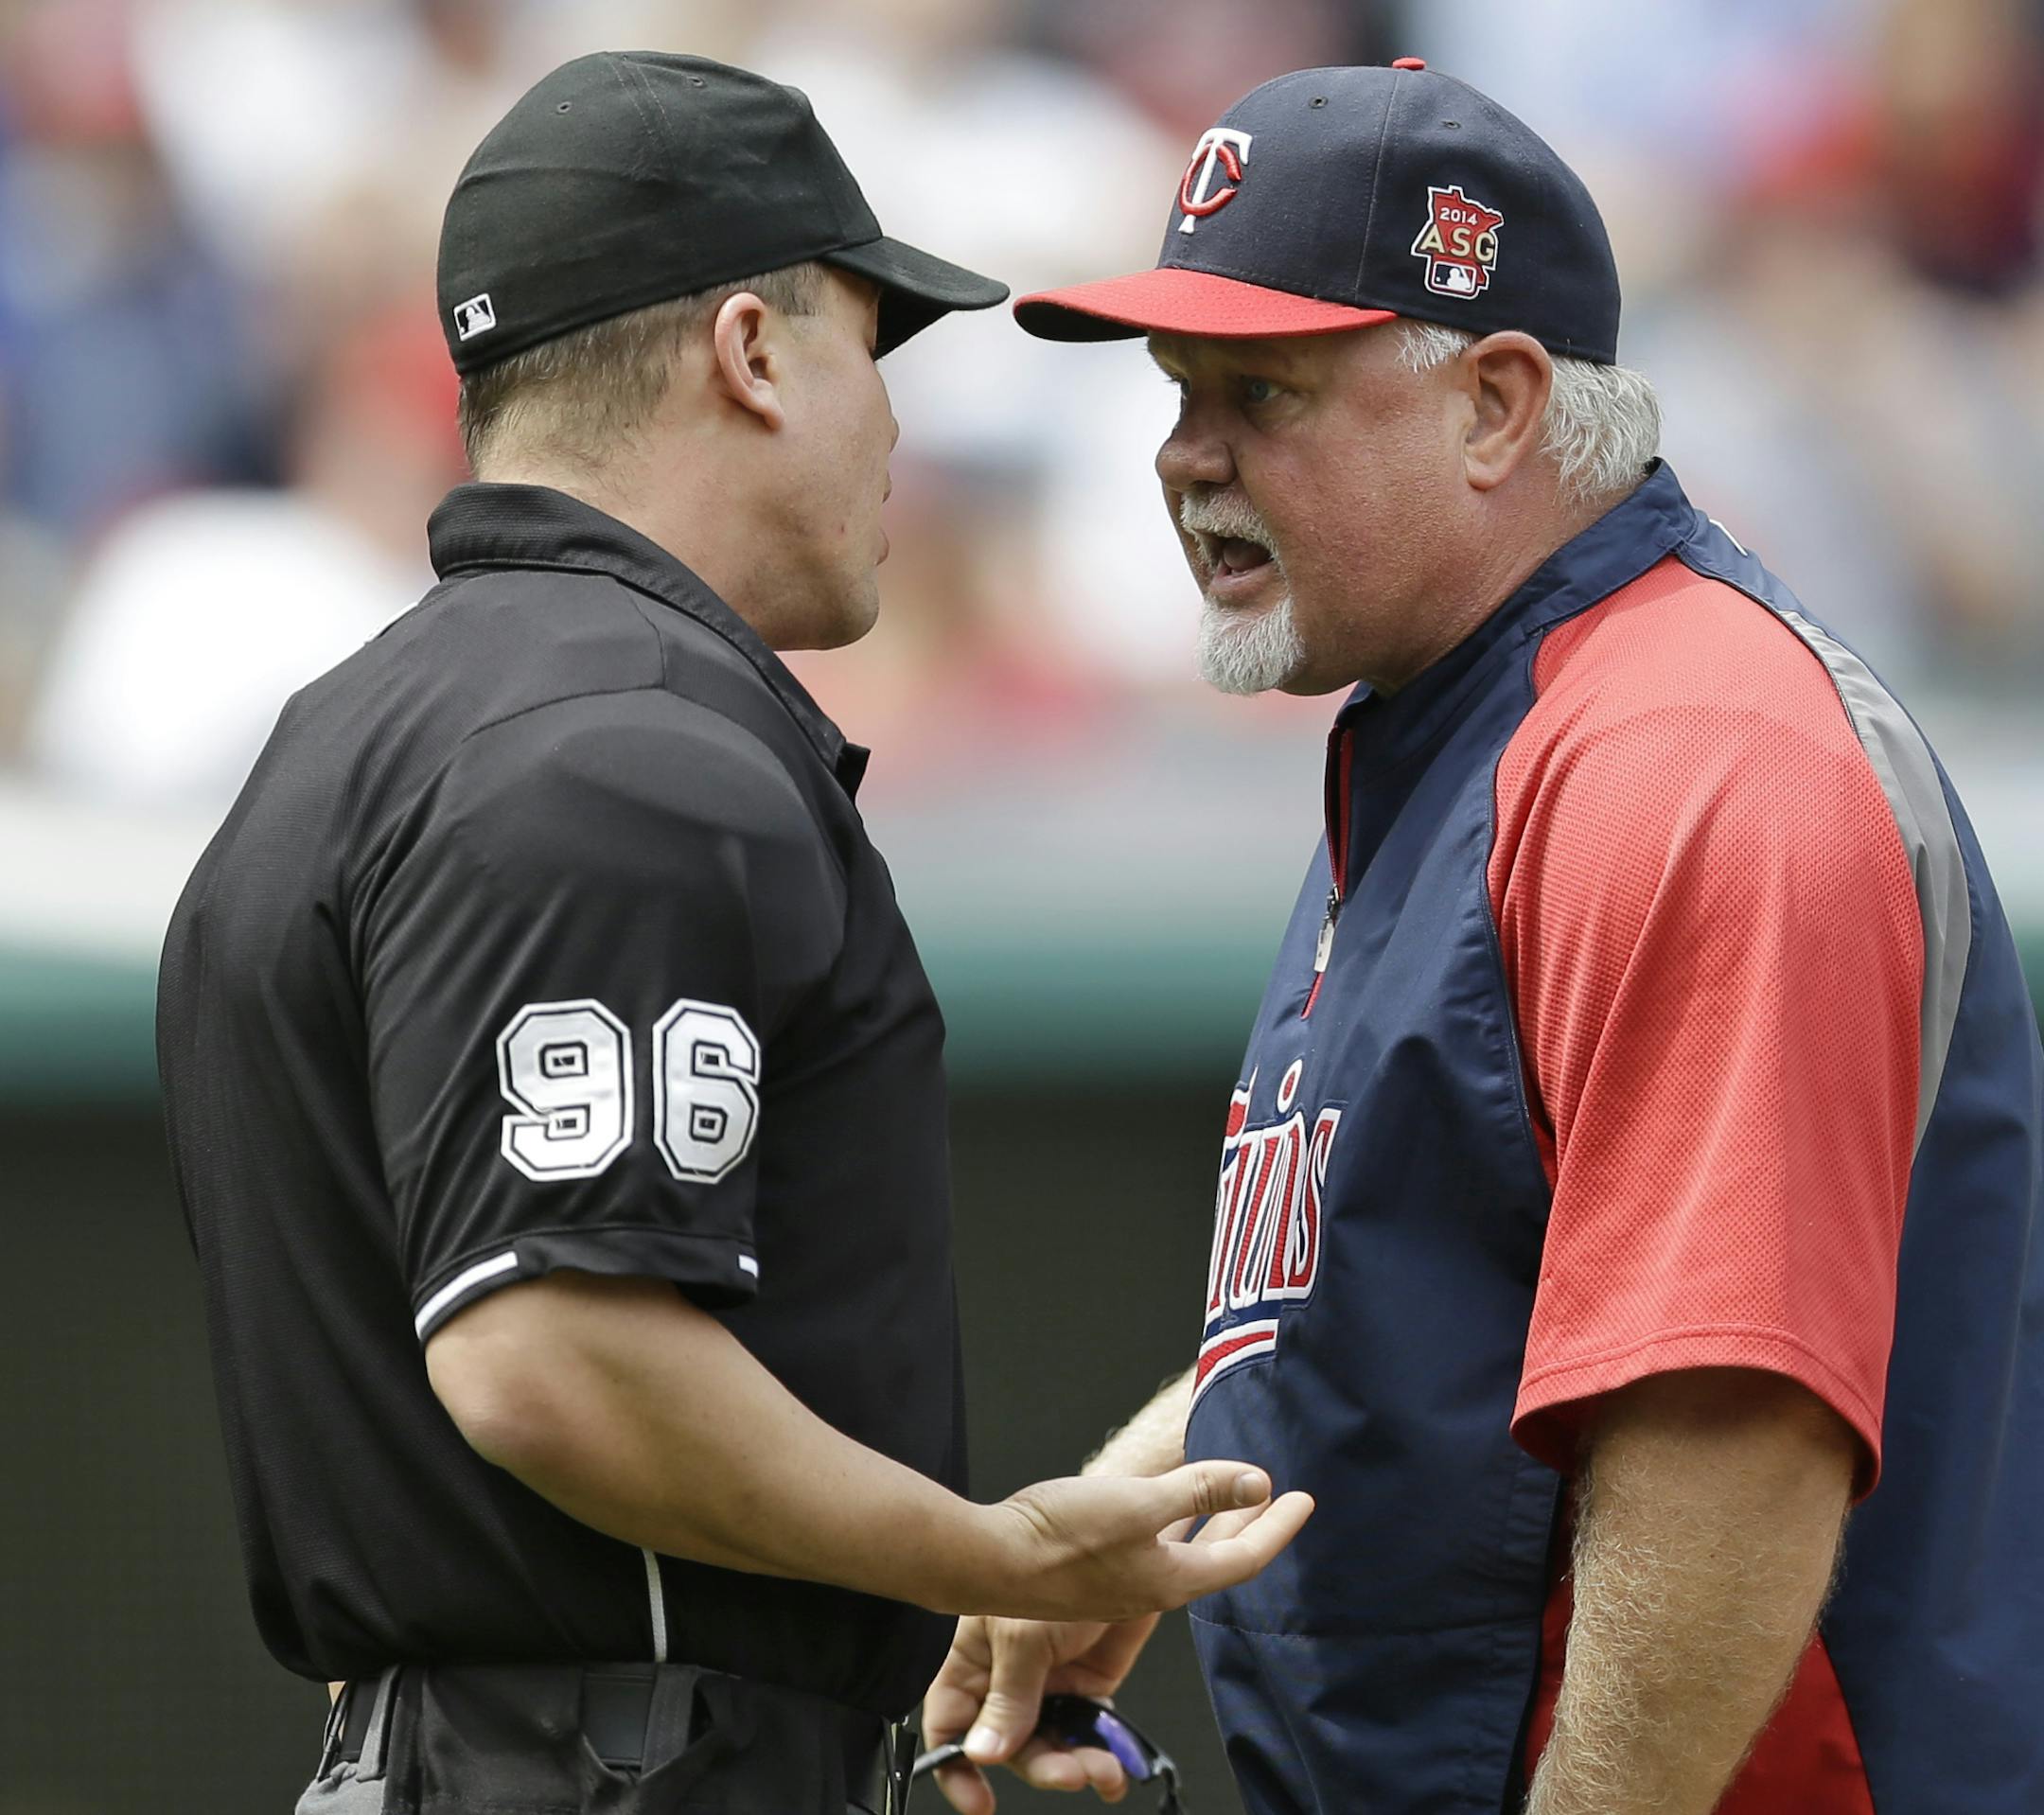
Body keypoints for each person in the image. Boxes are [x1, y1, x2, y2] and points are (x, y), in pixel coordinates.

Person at [155, 52, 1312, 1815]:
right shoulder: (622, 746)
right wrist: (989, 1551)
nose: (897, 425)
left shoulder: (355, 730)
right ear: (753, 352)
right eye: (873, 345)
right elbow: (554, 1357)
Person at [926, 59, 2044, 1815]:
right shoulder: (1464, 720)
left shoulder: (1688, 751)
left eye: (1261, 392)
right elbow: (1432, 1267)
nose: (1181, 457)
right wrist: (1139, 1504)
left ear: (1499, 405)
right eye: (1175, 391)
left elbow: (1725, 1439)